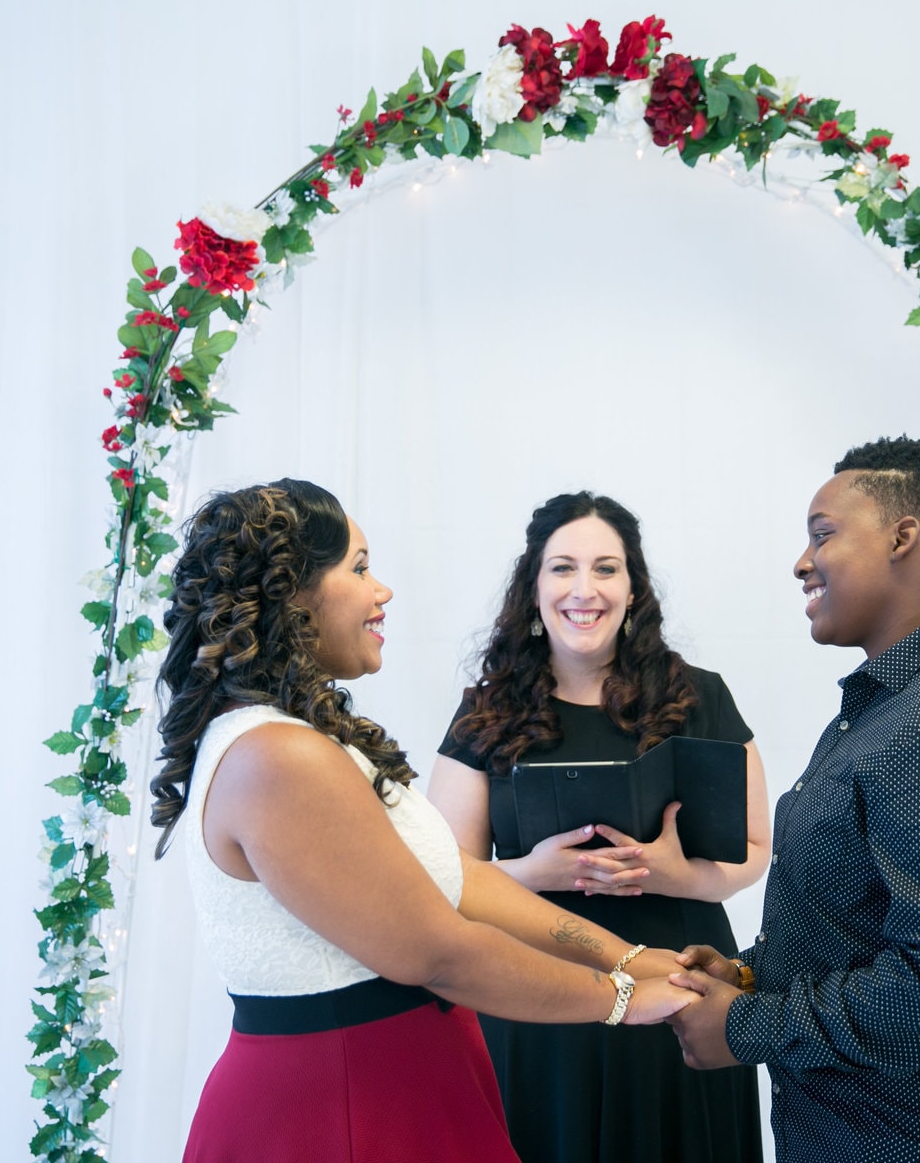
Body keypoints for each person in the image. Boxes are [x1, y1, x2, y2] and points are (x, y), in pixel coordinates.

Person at [149, 480, 698, 1163]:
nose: (382, 591)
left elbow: (457, 880)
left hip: (407, 1080)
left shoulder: (305, 738)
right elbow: (439, 951)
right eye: (358, 567)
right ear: (292, 592)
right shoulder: (277, 756)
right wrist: (620, 999)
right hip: (342, 1104)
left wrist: (628, 956)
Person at [667, 437, 920, 1163]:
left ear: (901, 537)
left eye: (823, 534)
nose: (801, 561)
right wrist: (751, 975)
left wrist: (746, 1026)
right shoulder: (889, 710)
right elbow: (860, 926)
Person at [427, 492, 771, 1163]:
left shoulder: (699, 696)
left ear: (634, 588)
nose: (584, 589)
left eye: (606, 568)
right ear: (532, 589)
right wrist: (538, 873)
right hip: (537, 996)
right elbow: (440, 873)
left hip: (680, 984)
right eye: (562, 568)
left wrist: (679, 875)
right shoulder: (485, 712)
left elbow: (757, 850)